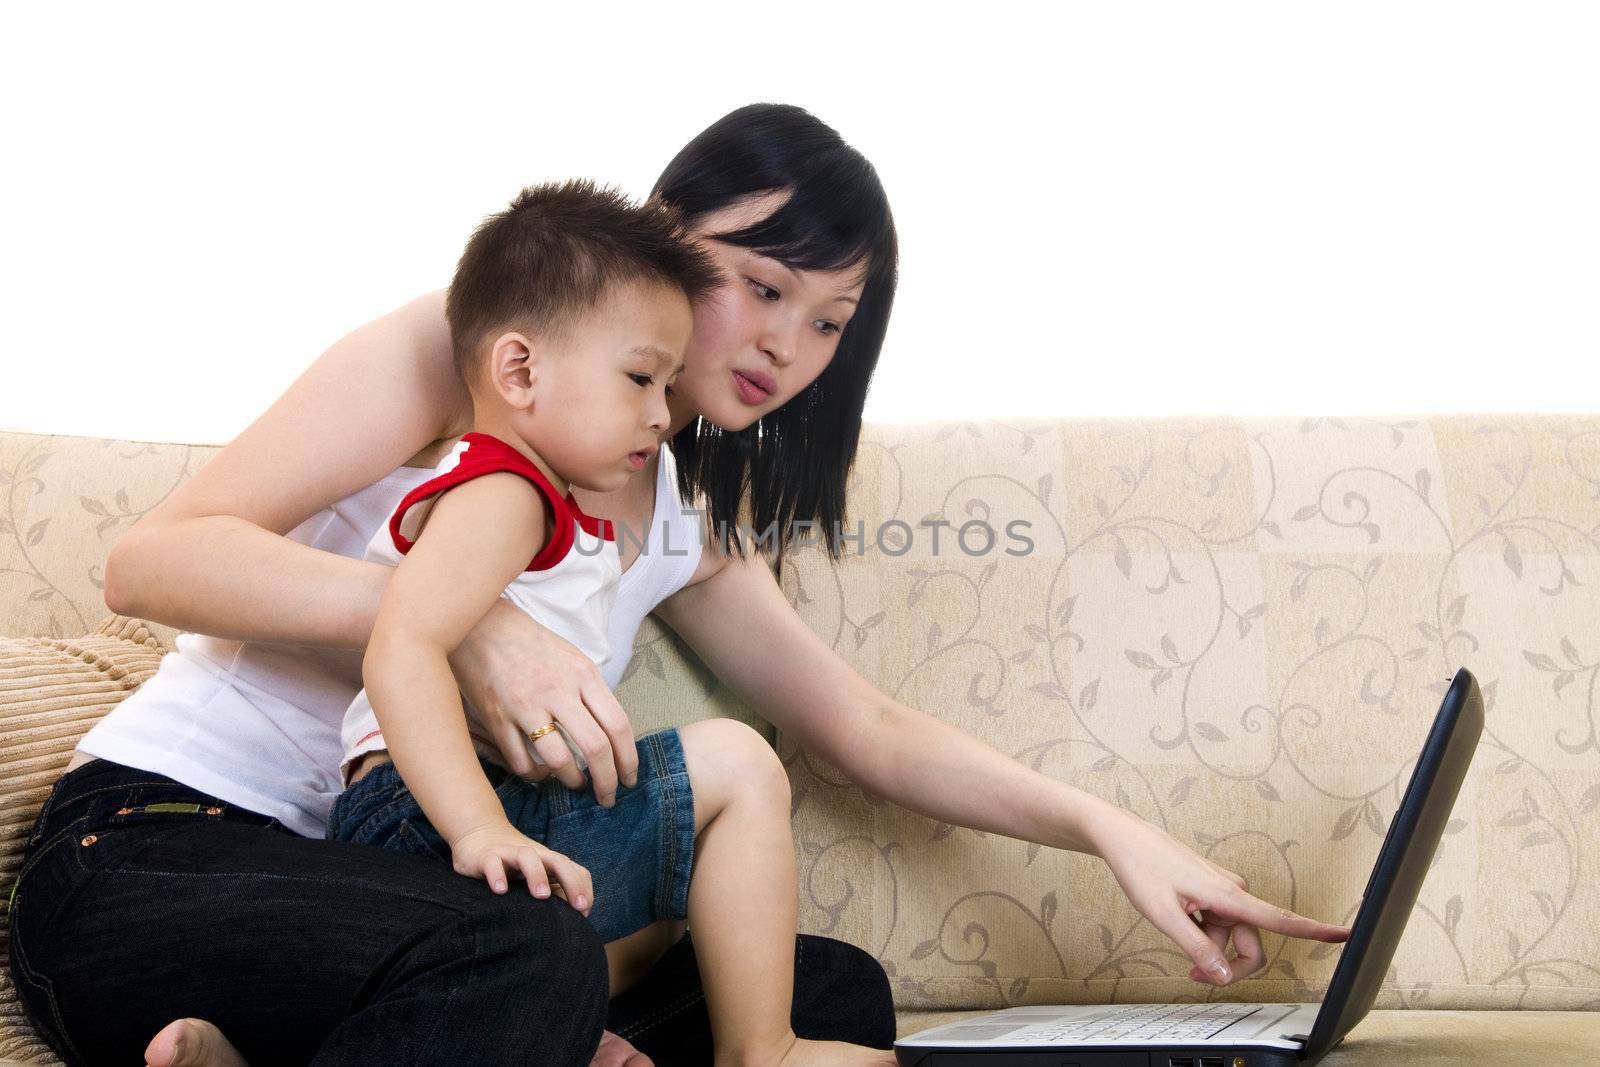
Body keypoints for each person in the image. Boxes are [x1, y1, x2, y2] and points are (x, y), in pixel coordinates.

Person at [8, 103, 1346, 1067]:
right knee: (525, 959)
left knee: (830, 988)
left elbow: (865, 727)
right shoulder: (477, 351)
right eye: (762, 287)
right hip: (158, 856)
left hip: (375, 914)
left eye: (830, 321)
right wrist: (466, 626)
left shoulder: (678, 513)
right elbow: (153, 559)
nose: (787, 345)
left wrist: (1117, 829)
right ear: (666, 240)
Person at [330, 178, 894, 1066]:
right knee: (740, 764)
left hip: (449, 813)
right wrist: (479, 826)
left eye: (667, 383)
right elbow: (400, 645)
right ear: (520, 371)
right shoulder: (504, 491)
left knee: (675, 926)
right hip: (423, 815)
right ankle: (765, 1049)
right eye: (638, 378)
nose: (661, 413)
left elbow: (867, 721)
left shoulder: (571, 502)